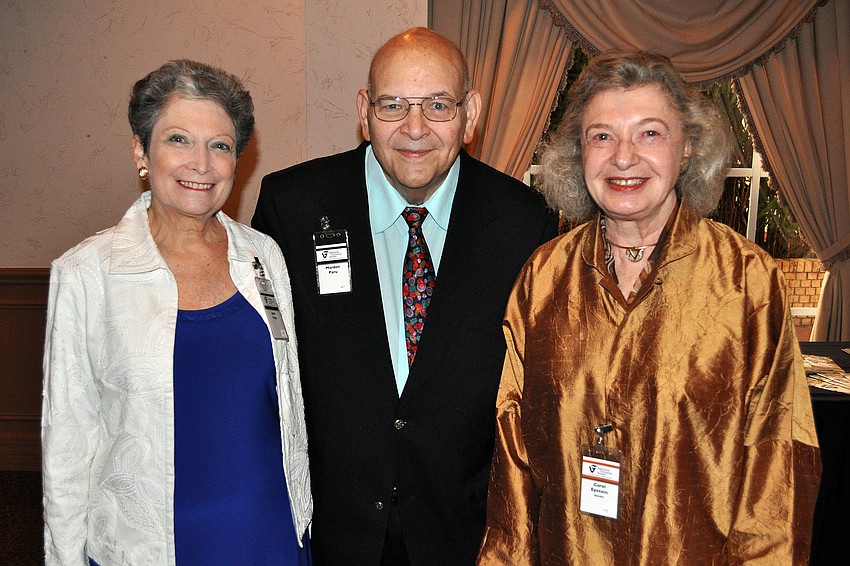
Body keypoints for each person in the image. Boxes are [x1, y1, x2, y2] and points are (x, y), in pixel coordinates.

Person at [476, 50, 821, 565]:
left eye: (650, 133)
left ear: (687, 149)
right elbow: (514, 463)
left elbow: (778, 473)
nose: (623, 157)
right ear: (579, 154)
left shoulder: (748, 282)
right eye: (602, 136)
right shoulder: (543, 279)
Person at [253, 27, 558, 565]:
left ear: (472, 113)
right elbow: (263, 370)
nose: (414, 129)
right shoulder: (293, 207)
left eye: (438, 105)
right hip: (332, 534)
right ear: (364, 111)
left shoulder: (523, 223)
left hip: (464, 536)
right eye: (393, 105)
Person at [42, 60, 312, 565]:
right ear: (141, 152)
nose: (201, 163)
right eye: (179, 140)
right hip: (145, 548)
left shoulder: (264, 257)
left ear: (238, 160)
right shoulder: (85, 274)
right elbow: (67, 451)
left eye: (220, 145)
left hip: (267, 535)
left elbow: (289, 406)